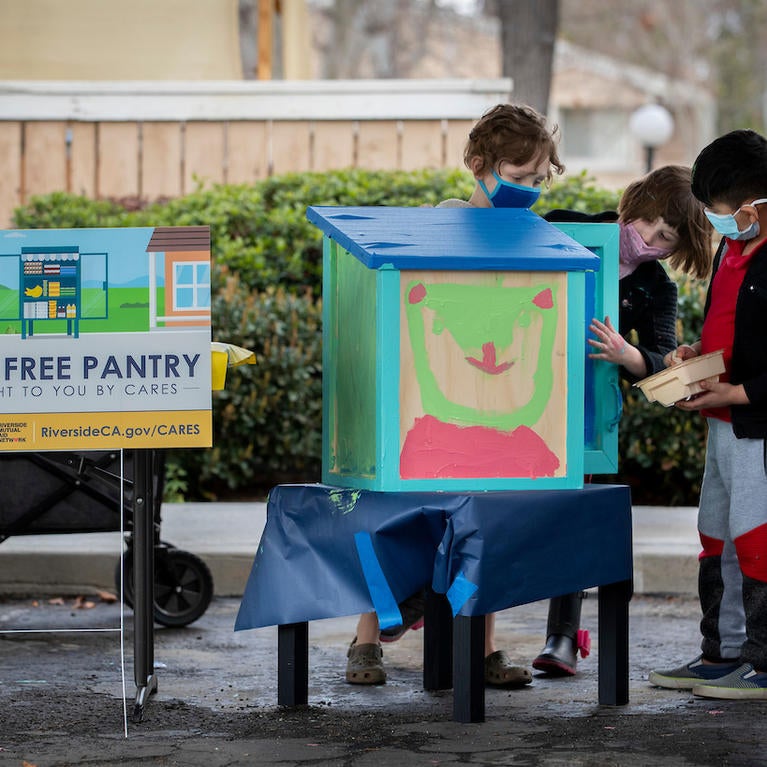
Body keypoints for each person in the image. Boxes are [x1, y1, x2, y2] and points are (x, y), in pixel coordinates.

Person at [346, 102, 565, 687]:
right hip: (432, 403)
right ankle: (368, 639)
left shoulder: (529, 235)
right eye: (516, 178)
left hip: (499, 404)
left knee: (485, 525)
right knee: (400, 518)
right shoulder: (442, 222)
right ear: (478, 164)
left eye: (537, 181)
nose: (527, 191)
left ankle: (484, 647)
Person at [535, 164, 713, 676]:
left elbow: (661, 361)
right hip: (516, 390)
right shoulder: (567, 227)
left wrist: (626, 354)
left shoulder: (655, 287)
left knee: (572, 517)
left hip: (584, 410)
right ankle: (429, 608)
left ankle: (562, 637)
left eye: (667, 235)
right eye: (649, 223)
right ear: (633, 203)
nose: (651, 239)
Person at [648, 129, 767, 700]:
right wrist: (693, 358)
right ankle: (722, 654)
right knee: (716, 537)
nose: (715, 226)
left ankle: (764, 665)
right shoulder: (731, 246)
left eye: (720, 214)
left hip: (757, 426)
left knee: (759, 540)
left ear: (750, 206)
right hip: (722, 425)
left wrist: (739, 393)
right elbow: (728, 327)